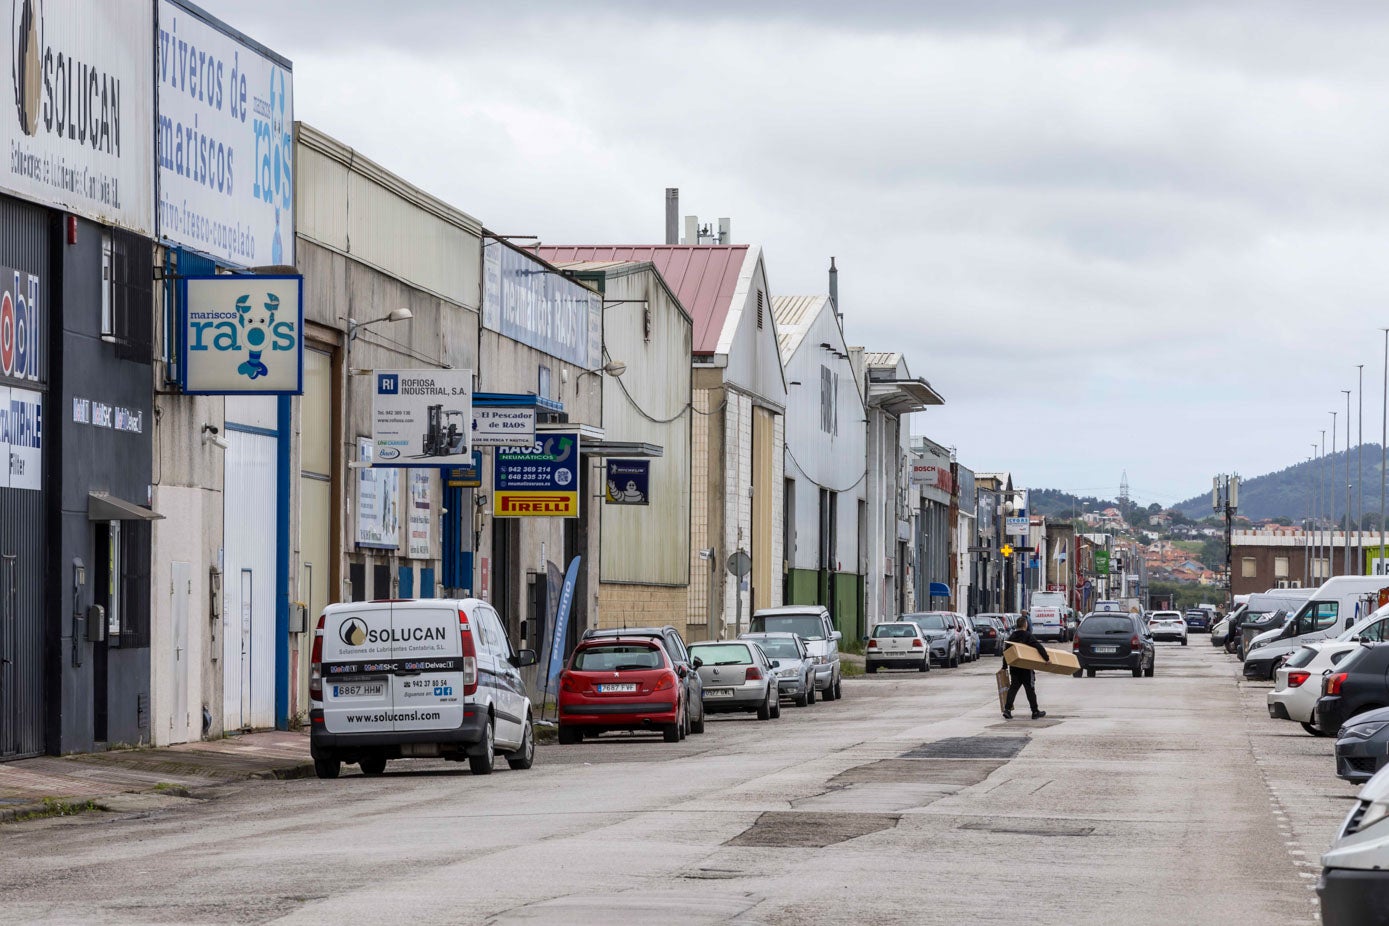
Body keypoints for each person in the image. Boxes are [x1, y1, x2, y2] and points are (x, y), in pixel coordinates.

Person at [1002, 614, 1048, 720]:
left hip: (1014, 667)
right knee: (1030, 689)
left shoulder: (1012, 637)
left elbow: (1006, 653)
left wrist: (1004, 666)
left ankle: (1007, 710)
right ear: (1025, 625)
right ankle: (1035, 711)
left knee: (1013, 689)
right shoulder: (1028, 636)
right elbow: (1038, 646)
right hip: (1026, 667)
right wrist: (1046, 658)